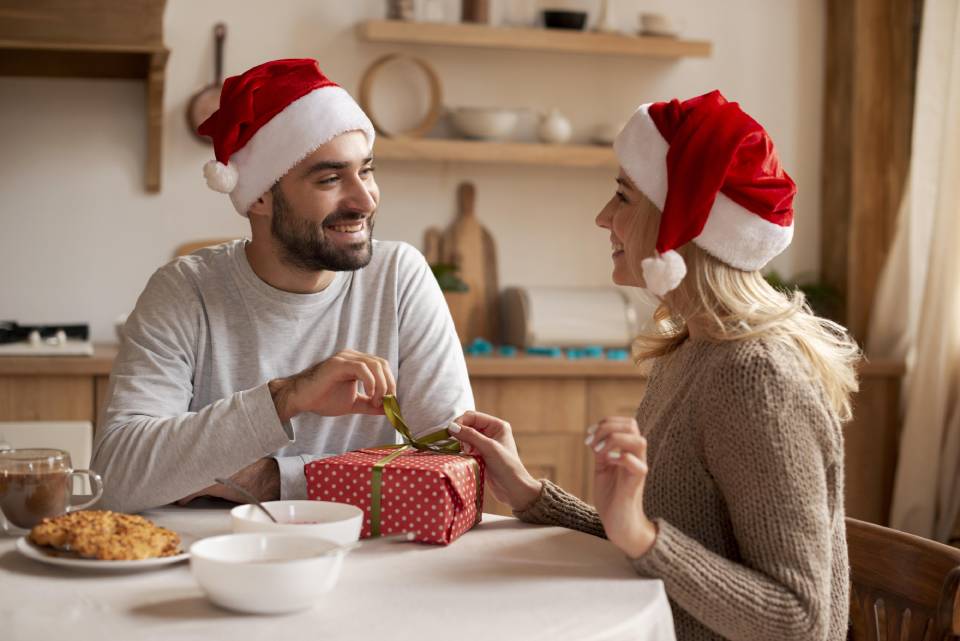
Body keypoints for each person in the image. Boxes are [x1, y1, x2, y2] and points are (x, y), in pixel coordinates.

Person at [447, 91, 859, 641]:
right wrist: (529, 494)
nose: (602, 217)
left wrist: (641, 536)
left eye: (623, 196)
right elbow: (660, 544)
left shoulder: (757, 378)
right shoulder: (691, 349)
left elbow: (799, 621)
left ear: (683, 224)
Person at [92, 59, 472, 513]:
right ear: (258, 197)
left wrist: (274, 479)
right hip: (209, 560)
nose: (364, 198)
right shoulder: (184, 291)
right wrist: (285, 398)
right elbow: (116, 476)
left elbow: (456, 470)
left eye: (366, 171)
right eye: (330, 178)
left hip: (364, 561)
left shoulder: (399, 278)